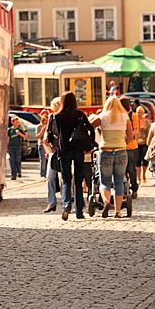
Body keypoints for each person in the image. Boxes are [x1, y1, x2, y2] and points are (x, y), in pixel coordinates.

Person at [89, 96, 132, 218]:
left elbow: (89, 126)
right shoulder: (125, 117)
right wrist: (124, 143)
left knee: (105, 181)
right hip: (120, 151)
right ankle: (118, 211)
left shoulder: (102, 116)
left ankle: (107, 202)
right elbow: (130, 135)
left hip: (106, 151)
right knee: (119, 181)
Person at [54, 91, 94, 220]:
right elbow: (91, 128)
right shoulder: (80, 115)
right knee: (78, 179)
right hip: (78, 149)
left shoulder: (58, 116)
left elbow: (57, 133)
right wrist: (90, 145)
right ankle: (79, 211)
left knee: (66, 179)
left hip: (64, 149)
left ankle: (66, 205)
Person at [44, 98, 61, 213]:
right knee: (49, 177)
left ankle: (67, 202)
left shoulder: (66, 117)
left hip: (65, 151)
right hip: (54, 151)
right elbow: (48, 131)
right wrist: (46, 139)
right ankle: (51, 203)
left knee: (66, 178)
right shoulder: (52, 117)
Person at [120, 98, 139, 199]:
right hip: (120, 146)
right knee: (121, 170)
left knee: (131, 170)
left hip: (131, 147)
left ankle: (134, 188)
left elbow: (136, 130)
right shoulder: (119, 116)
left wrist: (128, 137)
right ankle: (123, 190)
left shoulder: (133, 115)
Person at [135, 106, 150, 184]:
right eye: (138, 112)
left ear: (143, 113)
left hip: (145, 142)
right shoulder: (134, 121)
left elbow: (149, 132)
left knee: (145, 160)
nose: (139, 114)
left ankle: (144, 174)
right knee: (137, 160)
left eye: (141, 112)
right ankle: (138, 178)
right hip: (136, 143)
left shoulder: (146, 122)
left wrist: (148, 141)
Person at [36, 110, 49, 179]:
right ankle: (42, 175)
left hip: (48, 145)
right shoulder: (39, 126)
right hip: (41, 145)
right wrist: (42, 130)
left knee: (48, 161)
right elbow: (37, 136)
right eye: (45, 121)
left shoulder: (49, 126)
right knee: (43, 160)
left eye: (47, 121)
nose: (46, 122)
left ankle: (47, 174)